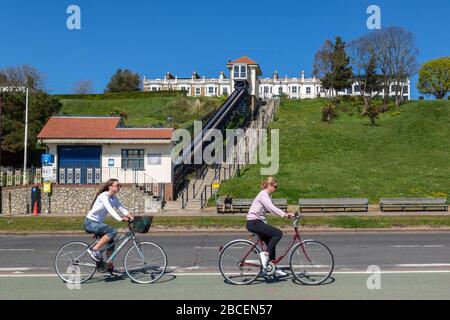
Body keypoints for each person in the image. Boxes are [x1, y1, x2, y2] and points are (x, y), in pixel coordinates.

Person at [246, 177, 294, 277]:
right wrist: (284, 214)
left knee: (271, 242)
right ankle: (265, 255)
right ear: (269, 185)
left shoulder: (267, 195)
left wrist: (288, 214)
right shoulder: (263, 194)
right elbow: (271, 207)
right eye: (275, 186)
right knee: (278, 233)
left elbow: (270, 208)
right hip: (254, 223)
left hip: (257, 222)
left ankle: (271, 267)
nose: (276, 188)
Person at [84, 179, 134, 275]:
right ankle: (94, 250)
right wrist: (120, 219)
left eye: (120, 185)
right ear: (110, 186)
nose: (119, 187)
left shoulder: (113, 198)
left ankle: (109, 265)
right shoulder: (104, 196)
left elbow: (120, 207)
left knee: (111, 242)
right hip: (90, 222)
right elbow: (109, 208)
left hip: (97, 224)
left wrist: (130, 216)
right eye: (117, 185)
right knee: (112, 231)